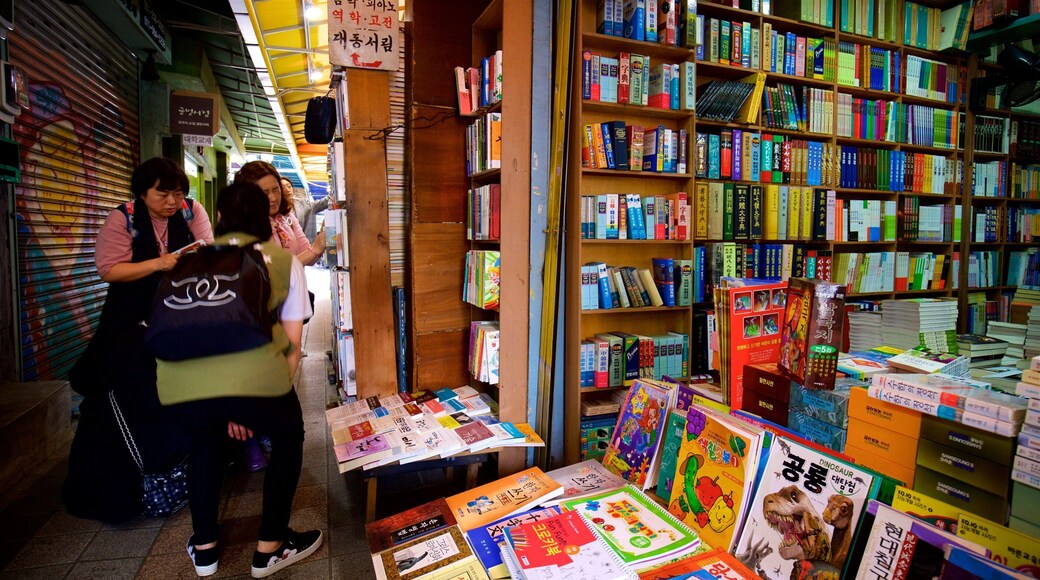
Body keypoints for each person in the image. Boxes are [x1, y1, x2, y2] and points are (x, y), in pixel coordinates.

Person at [158, 182, 320, 578]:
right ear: (265, 219)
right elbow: (292, 347)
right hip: (254, 380)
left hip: (189, 387)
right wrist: (251, 406)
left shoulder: (189, 260)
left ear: (217, 218)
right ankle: (271, 546)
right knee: (288, 436)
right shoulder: (282, 263)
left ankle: (205, 549)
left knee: (205, 444)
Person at [64, 157, 213, 523]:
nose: (172, 201)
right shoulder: (123, 218)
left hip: (179, 316)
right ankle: (131, 480)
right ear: (142, 192)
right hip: (129, 324)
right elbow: (109, 269)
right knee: (130, 400)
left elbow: (209, 246)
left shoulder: (192, 212)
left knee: (178, 392)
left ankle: (179, 469)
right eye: (163, 193)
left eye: (178, 193)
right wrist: (158, 265)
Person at [233, 161, 325, 265]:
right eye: (264, 193)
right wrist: (316, 248)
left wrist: (321, 240)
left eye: (276, 189)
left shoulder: (285, 217)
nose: (273, 198)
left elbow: (307, 255)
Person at [281, 177, 329, 243]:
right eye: (282, 187)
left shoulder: (304, 205)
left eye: (289, 186)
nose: (287, 190)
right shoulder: (274, 210)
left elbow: (324, 202)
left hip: (306, 248)